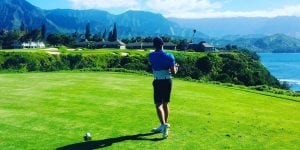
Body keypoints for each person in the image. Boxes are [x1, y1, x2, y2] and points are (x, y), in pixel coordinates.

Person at [148, 37, 179, 139]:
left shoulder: (151, 55)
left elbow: (154, 66)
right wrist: (176, 67)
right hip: (168, 81)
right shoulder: (170, 56)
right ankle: (164, 125)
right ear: (163, 44)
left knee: (158, 105)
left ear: (154, 45)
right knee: (165, 104)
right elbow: (173, 72)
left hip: (158, 81)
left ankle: (163, 125)